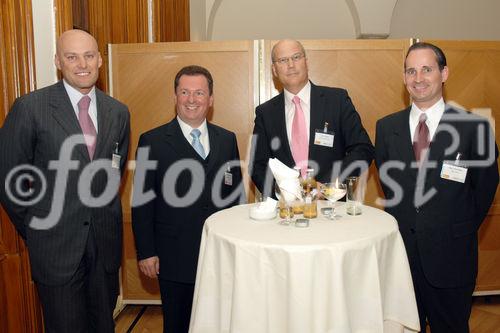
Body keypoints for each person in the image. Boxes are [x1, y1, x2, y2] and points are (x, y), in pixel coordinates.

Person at [0, 29, 130, 332]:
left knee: (103, 325)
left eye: (88, 55)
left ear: (100, 59)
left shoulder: (118, 112)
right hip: (56, 249)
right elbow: (9, 178)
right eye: (71, 57)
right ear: (59, 61)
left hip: (105, 249)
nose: (81, 64)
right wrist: (36, 226)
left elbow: (114, 174)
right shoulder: (30, 108)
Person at [375, 42, 499, 332]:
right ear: (404, 78)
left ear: (444, 73)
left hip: (452, 256)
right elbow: (389, 185)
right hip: (402, 258)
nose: (418, 78)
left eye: (427, 69)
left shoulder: (473, 128)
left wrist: (454, 225)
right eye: (411, 71)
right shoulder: (385, 128)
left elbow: (485, 188)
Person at [131, 65, 245, 333]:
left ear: (211, 99)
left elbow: (236, 194)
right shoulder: (153, 141)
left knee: (219, 323)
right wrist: (146, 251)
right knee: (178, 325)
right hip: (174, 256)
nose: (191, 99)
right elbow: (142, 202)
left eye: (199, 93)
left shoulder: (227, 139)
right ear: (175, 96)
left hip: (219, 254)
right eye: (185, 92)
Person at [249, 39, 374, 195]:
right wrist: (283, 193)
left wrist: (331, 184)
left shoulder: (337, 101)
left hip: (332, 208)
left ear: (306, 62)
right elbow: (257, 166)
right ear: (274, 70)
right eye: (283, 60)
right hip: (285, 213)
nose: (291, 65)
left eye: (296, 57)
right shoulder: (265, 113)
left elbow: (362, 149)